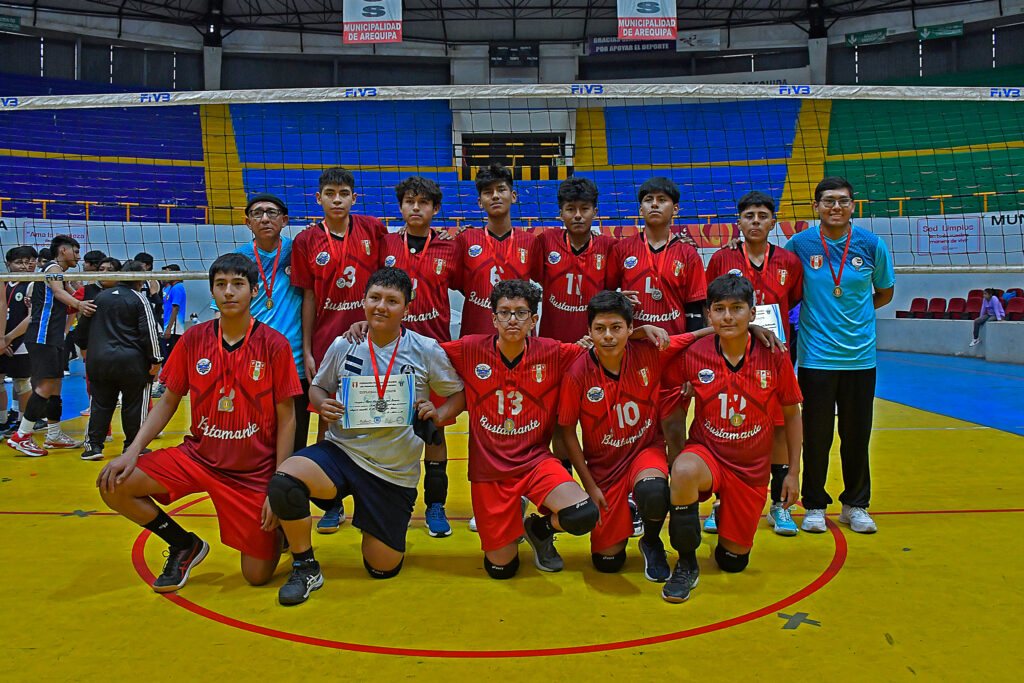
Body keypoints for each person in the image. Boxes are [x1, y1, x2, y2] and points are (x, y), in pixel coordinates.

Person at [96, 253, 301, 593]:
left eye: (238, 284)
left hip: (251, 473)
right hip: (199, 458)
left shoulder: (273, 344)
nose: (229, 292)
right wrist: (132, 452)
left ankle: (279, 535)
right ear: (212, 292)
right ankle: (182, 544)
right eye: (220, 285)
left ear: (255, 291)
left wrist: (277, 485)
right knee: (114, 483)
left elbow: (288, 417)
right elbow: (167, 403)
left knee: (256, 576)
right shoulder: (193, 339)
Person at [267, 267, 465, 605]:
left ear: (407, 308)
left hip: (392, 472)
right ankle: (305, 565)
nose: (381, 307)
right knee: (285, 481)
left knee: (382, 568)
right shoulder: (345, 343)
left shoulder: (425, 349)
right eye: (374, 298)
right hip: (342, 453)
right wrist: (323, 404)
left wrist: (440, 414)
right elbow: (318, 388)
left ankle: (377, 521)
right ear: (363, 301)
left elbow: (457, 393)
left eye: (392, 301)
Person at [441, 280, 609, 579]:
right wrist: (369, 327)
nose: (512, 320)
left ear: (534, 320)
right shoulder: (468, 348)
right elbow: (418, 350)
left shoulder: (554, 352)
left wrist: (643, 330)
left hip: (534, 463)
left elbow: (609, 344)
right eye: (504, 312)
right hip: (489, 472)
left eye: (521, 312)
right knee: (501, 569)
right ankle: (511, 521)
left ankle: (539, 529)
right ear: (493, 318)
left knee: (582, 514)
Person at [663, 274, 803, 603]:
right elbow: (662, 378)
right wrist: (676, 451)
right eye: (720, 309)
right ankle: (685, 563)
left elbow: (792, 414)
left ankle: (728, 514)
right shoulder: (693, 354)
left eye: (737, 309)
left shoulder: (775, 354)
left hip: (750, 469)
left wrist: (793, 472)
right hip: (708, 454)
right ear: (708, 315)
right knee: (682, 471)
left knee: (733, 563)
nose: (728, 316)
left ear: (753, 313)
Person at [558, 290, 706, 581]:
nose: (608, 336)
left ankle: (651, 541)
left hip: (644, 451)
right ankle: (624, 512)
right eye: (599, 329)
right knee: (608, 562)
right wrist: (589, 485)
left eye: (616, 328)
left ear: (629, 328)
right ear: (589, 331)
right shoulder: (577, 373)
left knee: (653, 491)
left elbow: (697, 335)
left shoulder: (650, 351)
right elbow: (566, 432)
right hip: (604, 467)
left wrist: (750, 326)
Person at [785, 177, 895, 535]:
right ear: (815, 206)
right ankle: (815, 504)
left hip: (860, 358)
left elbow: (884, 292)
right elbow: (786, 290)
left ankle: (855, 505)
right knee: (817, 434)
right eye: (828, 201)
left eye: (843, 201)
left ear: (853, 205)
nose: (836, 207)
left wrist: (855, 313)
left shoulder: (871, 244)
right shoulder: (799, 245)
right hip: (816, 357)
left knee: (857, 434)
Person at [291, 166, 387, 532]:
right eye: (329, 193)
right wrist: (309, 349)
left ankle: (370, 498)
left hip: (371, 337)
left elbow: (386, 277)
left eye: (343, 193)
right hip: (328, 341)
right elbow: (309, 297)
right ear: (319, 198)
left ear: (353, 197)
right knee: (326, 421)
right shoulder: (305, 241)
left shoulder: (372, 229)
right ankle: (329, 502)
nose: (336, 199)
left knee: (372, 418)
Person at [704, 190, 804, 536]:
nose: (756, 221)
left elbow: (794, 303)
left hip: (772, 356)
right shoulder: (720, 259)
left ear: (773, 221)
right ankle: (721, 503)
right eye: (749, 216)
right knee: (725, 427)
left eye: (763, 215)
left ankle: (779, 505)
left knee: (777, 426)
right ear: (739, 222)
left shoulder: (789, 262)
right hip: (729, 354)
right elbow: (715, 305)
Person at [375, 176, 462, 537]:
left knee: (434, 431)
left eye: (423, 202)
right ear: (401, 207)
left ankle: (435, 506)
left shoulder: (450, 248)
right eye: (409, 201)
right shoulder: (385, 243)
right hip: (391, 351)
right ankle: (382, 501)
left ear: (435, 209)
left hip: (434, 352)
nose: (416, 208)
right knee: (388, 428)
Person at [606, 177, 707, 460]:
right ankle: (638, 489)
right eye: (648, 200)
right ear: (640, 209)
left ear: (675, 209)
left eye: (662, 200)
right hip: (633, 352)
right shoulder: (622, 249)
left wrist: (691, 363)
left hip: (674, 354)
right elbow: (606, 301)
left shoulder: (688, 254)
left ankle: (679, 497)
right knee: (635, 426)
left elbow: (696, 312)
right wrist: (619, 299)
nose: (654, 204)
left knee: (674, 428)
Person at [220, 193, 311, 454]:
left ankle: (289, 489)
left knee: (295, 439)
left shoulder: (300, 251)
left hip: (294, 363)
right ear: (248, 222)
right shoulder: (237, 260)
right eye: (257, 213)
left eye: (271, 213)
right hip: (251, 360)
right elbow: (223, 314)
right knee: (253, 436)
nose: (264, 218)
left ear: (284, 220)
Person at [7, 235, 95, 456]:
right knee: (46, 386)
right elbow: (58, 292)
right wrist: (79, 304)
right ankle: (22, 435)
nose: (78, 256)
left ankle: (54, 435)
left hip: (53, 337)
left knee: (55, 386)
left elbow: (63, 295)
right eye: (75, 251)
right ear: (63, 250)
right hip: (42, 336)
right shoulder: (53, 268)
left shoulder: (61, 274)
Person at [77, 260, 162, 461]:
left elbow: (81, 331)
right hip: (130, 362)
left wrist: (85, 349)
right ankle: (133, 447)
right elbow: (149, 332)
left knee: (100, 403)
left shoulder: (100, 297)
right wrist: (156, 359)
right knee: (135, 403)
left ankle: (93, 447)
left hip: (99, 361)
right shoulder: (139, 299)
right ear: (141, 281)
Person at [455, 163, 542, 336]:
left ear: (514, 196)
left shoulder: (531, 242)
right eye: (488, 192)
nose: (495, 196)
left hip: (518, 337)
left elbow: (541, 279)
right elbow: (459, 284)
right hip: (476, 335)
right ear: (480, 202)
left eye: (501, 190)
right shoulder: (465, 239)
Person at [0, 245, 37, 436]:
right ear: (8, 264)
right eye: (18, 263)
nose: (23, 266)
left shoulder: (31, 284)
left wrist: (8, 338)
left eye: (26, 262)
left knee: (22, 382)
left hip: (21, 341)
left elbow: (30, 318)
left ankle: (22, 424)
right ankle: (3, 421)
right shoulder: (2, 282)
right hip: (2, 340)